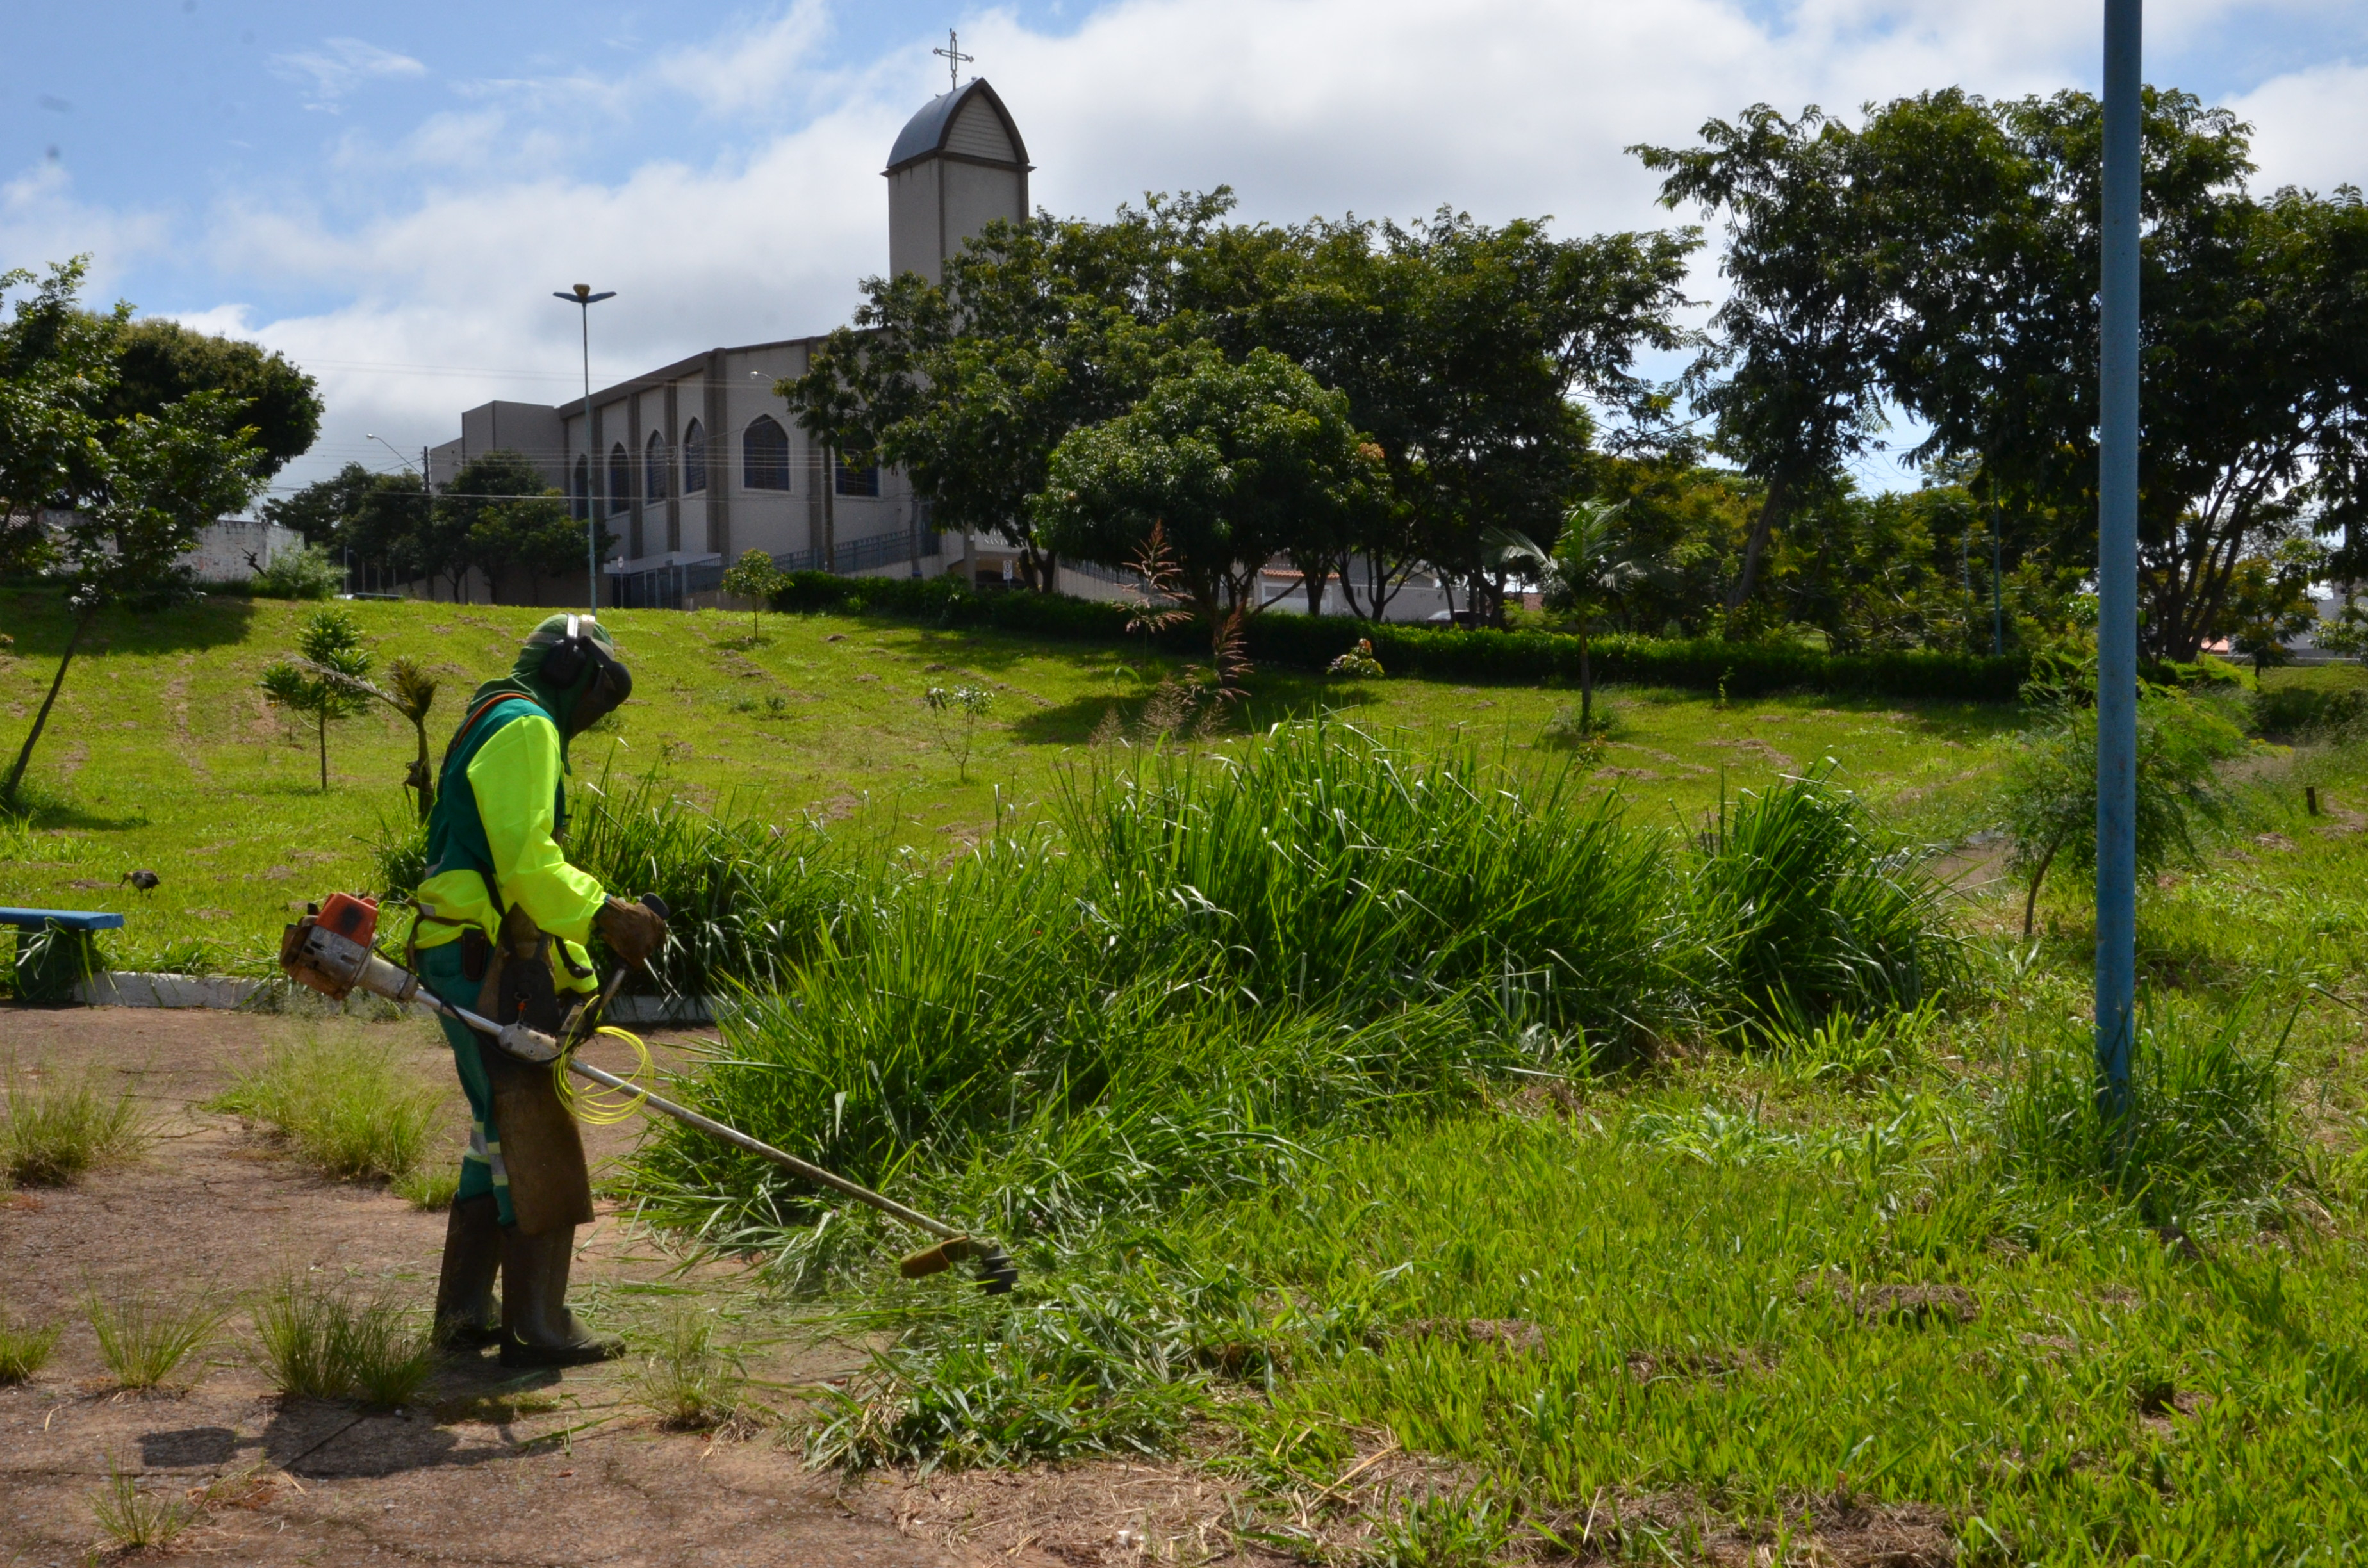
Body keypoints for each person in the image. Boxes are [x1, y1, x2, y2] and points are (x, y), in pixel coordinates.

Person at [411, 613, 666, 1366]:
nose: (595, 707)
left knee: (496, 1126)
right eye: (599, 690)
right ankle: (538, 1327)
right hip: (483, 955)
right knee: (535, 1129)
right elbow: (527, 864)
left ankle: (464, 1313)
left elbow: (511, 864)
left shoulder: (492, 715)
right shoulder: (526, 726)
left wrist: (576, 955)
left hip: (470, 946)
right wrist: (606, 914)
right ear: (572, 670)